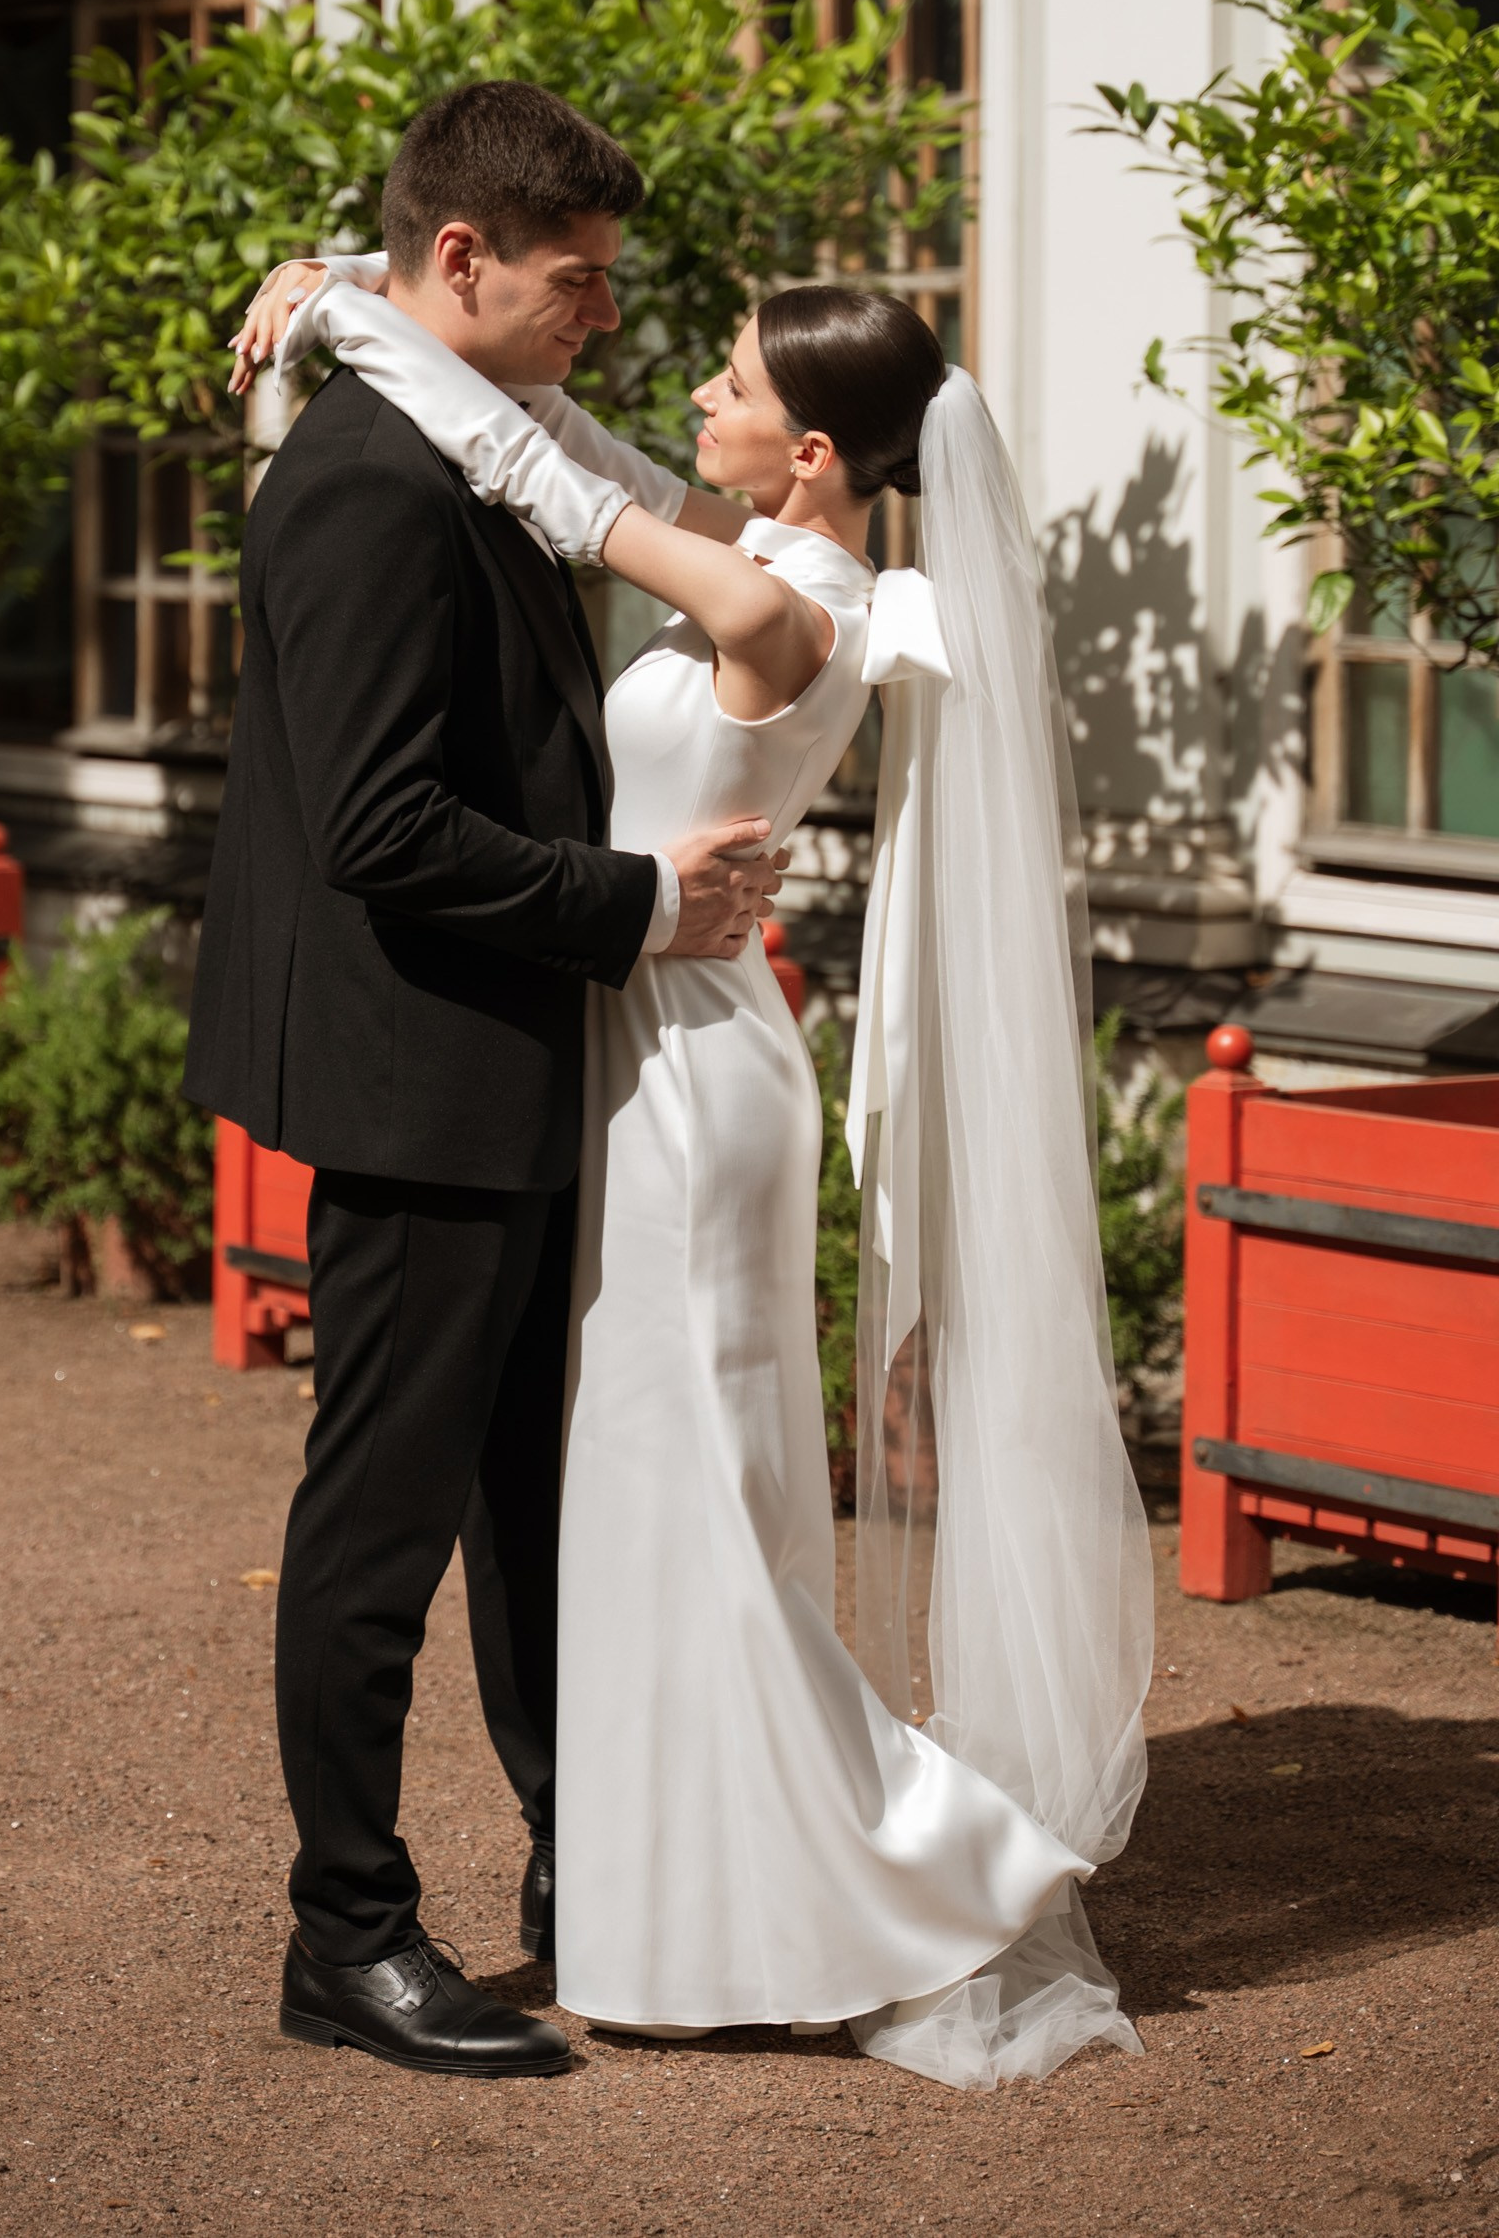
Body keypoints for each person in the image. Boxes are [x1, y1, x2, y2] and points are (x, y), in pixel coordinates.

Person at [232, 225, 1155, 2092]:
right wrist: (369, 283)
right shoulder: (786, 560)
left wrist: (348, 315)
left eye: (733, 383)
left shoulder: (775, 607)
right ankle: (661, 1877)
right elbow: (566, 450)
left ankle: (876, 1856)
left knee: (689, 1501)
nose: (691, 392)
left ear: (814, 453)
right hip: (646, 1044)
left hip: (680, 1065)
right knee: (637, 1498)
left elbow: (538, 472)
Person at [185, 81, 787, 2081]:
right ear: (459, 260)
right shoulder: (365, 479)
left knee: (532, 1500)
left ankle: (579, 1864)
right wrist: (636, 900)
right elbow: (377, 826)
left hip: (511, 1054)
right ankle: (343, 1932)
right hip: (414, 1066)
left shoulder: (490, 439)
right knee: (385, 1507)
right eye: (577, 283)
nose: (603, 318)